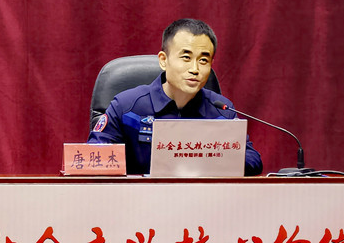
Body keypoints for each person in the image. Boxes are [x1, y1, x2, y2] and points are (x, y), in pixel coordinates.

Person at [88, 18, 263, 176]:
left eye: (203, 60)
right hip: (139, 198)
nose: (195, 69)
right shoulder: (126, 106)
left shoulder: (221, 111)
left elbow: (252, 159)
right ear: (163, 60)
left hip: (202, 198)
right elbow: (95, 157)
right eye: (186, 57)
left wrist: (205, 159)